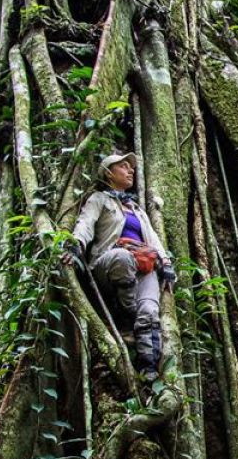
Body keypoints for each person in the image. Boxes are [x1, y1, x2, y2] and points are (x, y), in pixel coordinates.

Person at [63, 153, 175, 381]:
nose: (130, 170)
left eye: (131, 167)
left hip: (144, 264)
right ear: (108, 173)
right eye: (123, 166)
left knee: (151, 310)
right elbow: (85, 224)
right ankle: (126, 316)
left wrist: (165, 263)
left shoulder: (137, 209)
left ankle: (148, 368)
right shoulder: (99, 199)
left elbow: (153, 238)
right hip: (110, 262)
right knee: (122, 259)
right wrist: (75, 245)